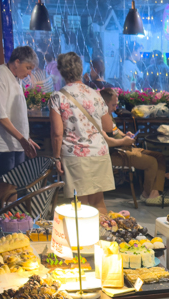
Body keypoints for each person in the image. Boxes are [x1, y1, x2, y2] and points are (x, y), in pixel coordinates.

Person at [50, 51, 114, 216]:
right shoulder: (96, 94)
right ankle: (105, 237)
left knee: (80, 205)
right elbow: (108, 126)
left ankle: (83, 242)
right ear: (80, 70)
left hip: (75, 155)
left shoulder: (58, 97)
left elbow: (57, 133)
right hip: (99, 153)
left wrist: (56, 157)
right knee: (98, 202)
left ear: (61, 71)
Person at [100, 86, 169, 206]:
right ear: (104, 103)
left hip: (124, 147)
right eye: (113, 105)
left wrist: (125, 135)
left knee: (160, 157)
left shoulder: (109, 114)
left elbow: (115, 131)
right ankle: (148, 194)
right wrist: (124, 141)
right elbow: (106, 141)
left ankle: (153, 194)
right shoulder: (100, 117)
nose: (115, 108)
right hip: (116, 152)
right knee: (152, 162)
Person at [0, 46, 39, 178]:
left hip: (15, 141)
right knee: (2, 185)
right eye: (28, 68)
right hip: (0, 143)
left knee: (16, 182)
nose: (29, 73)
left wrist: (25, 138)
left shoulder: (17, 78)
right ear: (17, 62)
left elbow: (16, 113)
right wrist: (22, 139)